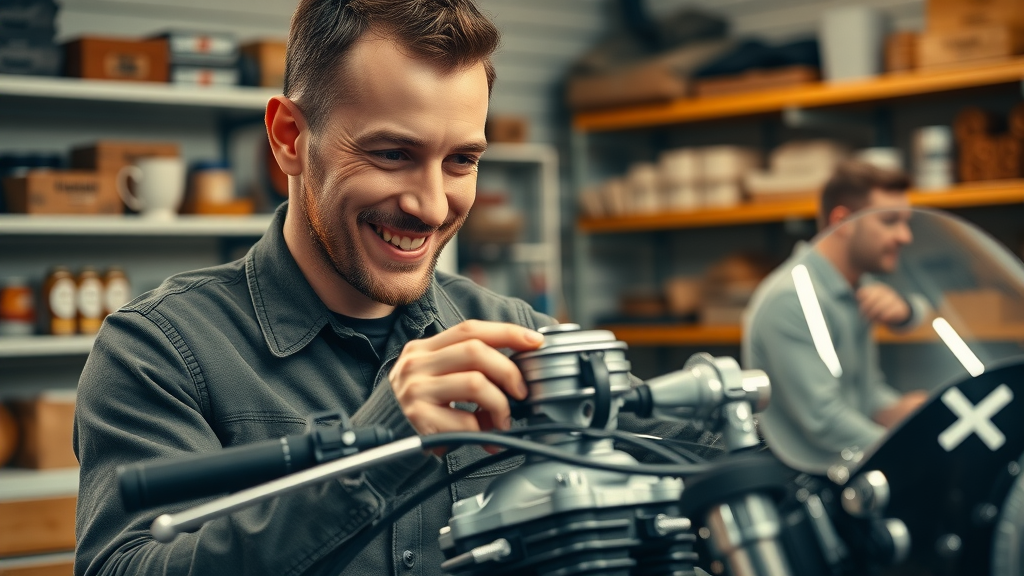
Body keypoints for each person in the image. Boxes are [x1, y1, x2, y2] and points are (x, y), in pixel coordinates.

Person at [72, 2, 717, 575]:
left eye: (461, 159)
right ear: (289, 138)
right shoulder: (158, 351)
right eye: (391, 154)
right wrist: (376, 456)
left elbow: (713, 457)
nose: (432, 205)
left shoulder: (516, 333)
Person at [742, 160, 928, 472]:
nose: (905, 236)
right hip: (808, 482)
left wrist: (898, 411)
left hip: (848, 469)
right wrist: (907, 453)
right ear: (843, 221)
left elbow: (861, 394)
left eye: (906, 222)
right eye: (889, 221)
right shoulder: (795, 299)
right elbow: (823, 420)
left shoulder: (854, 290)